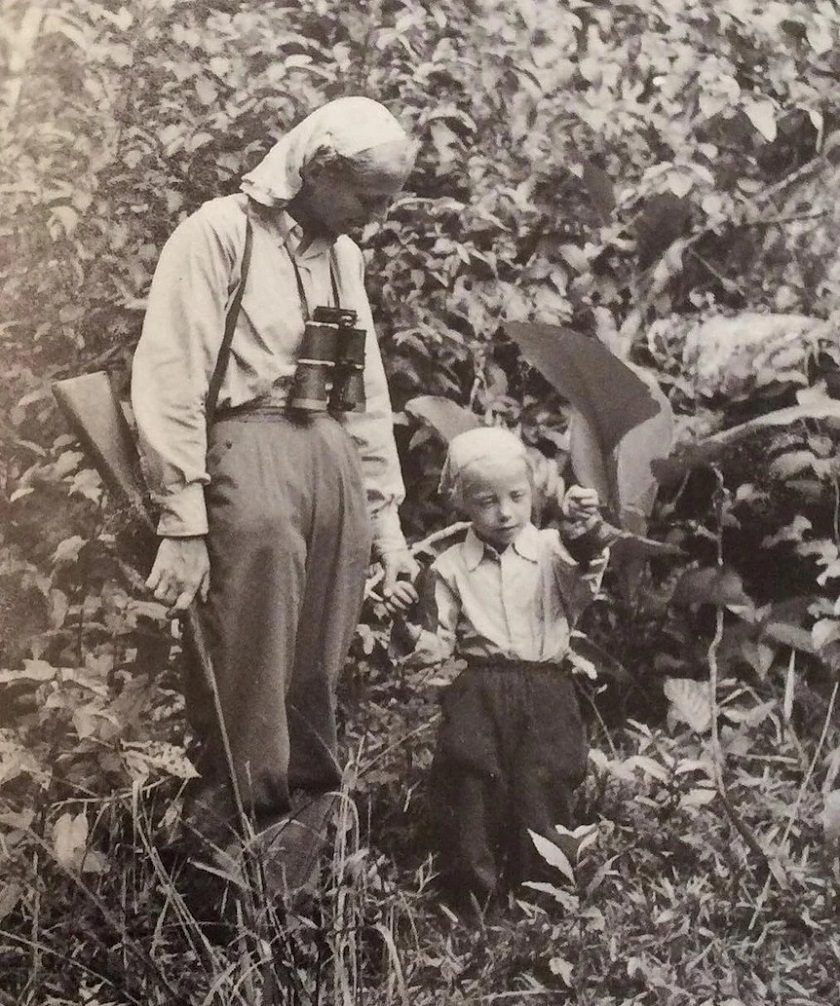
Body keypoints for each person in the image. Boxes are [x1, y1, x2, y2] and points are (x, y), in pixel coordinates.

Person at [130, 96, 419, 892]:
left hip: (326, 453)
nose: (379, 216)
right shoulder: (220, 233)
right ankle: (225, 861)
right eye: (370, 197)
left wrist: (386, 521)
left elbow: (366, 392)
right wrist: (182, 519)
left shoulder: (343, 257)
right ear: (320, 170)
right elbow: (170, 374)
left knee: (315, 668)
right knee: (247, 664)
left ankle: (299, 860)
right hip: (244, 451)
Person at [394, 427, 609, 911]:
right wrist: (405, 621)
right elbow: (434, 647)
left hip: (545, 684)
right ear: (461, 503)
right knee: (470, 780)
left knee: (546, 779)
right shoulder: (449, 568)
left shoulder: (555, 552)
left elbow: (584, 580)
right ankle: (472, 897)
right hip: (477, 686)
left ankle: (546, 892)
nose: (505, 512)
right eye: (486, 500)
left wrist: (585, 529)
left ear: (533, 490)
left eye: (517, 496)